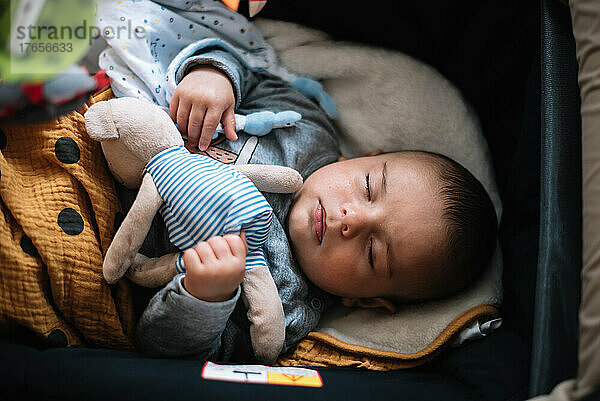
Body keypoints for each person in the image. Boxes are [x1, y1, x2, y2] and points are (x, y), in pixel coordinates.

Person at [100, 1, 497, 362]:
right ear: (360, 158)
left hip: (102, 231)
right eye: (368, 188)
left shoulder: (288, 308)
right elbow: (254, 72)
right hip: (112, 127)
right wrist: (214, 76)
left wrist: (207, 297)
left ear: (366, 301)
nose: (351, 219)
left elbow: (169, 349)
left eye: (373, 251)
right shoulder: (306, 130)